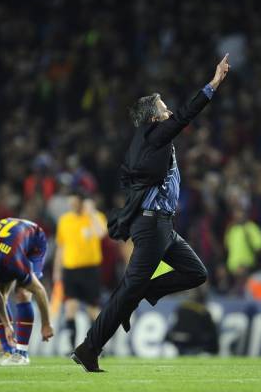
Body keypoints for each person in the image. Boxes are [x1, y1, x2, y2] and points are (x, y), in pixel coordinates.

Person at [71, 54, 230, 372]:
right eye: (163, 108)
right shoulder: (155, 135)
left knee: (196, 273)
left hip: (164, 227)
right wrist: (213, 84)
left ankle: (139, 295)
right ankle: (89, 348)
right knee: (128, 289)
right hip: (152, 225)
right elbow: (185, 115)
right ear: (154, 118)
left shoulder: (149, 142)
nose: (169, 111)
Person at [0, 218, 54, 366]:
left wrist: (46, 323)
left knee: (22, 293)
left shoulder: (13, 261)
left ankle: (22, 354)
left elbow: (39, 290)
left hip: (33, 242)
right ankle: (8, 351)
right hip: (3, 246)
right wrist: (7, 324)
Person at [53, 194, 107, 350]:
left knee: (93, 309)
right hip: (70, 270)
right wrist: (57, 270)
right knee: (70, 307)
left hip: (90, 269)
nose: (72, 204)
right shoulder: (64, 220)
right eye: (70, 201)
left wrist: (91, 213)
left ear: (82, 202)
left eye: (75, 202)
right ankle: (72, 348)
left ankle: (96, 347)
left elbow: (101, 233)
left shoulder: (95, 217)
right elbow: (61, 247)